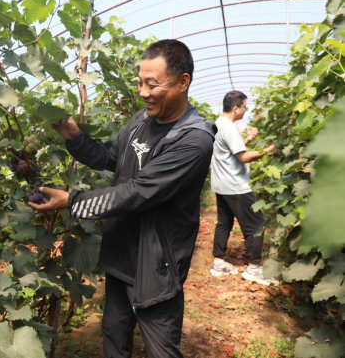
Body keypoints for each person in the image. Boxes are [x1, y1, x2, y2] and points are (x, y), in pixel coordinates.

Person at [29, 39, 216, 358]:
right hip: (120, 257)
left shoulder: (194, 139)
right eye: (140, 82)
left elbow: (138, 192)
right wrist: (75, 137)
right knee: (114, 341)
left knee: (162, 351)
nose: (143, 92)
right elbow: (111, 157)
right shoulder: (142, 121)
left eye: (152, 84)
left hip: (156, 267)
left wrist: (73, 201)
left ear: (183, 82)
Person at [209, 90, 276, 286]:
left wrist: (247, 141)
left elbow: (228, 153)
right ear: (236, 107)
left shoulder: (218, 124)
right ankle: (254, 269)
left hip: (221, 185)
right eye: (245, 107)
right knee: (256, 225)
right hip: (235, 186)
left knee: (224, 223)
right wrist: (266, 151)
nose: (246, 111)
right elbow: (243, 157)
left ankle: (218, 263)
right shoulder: (229, 128)